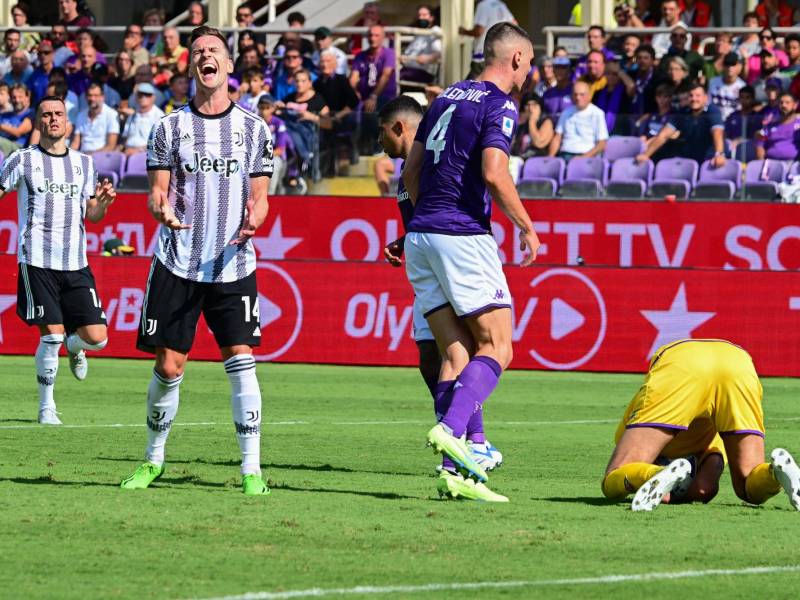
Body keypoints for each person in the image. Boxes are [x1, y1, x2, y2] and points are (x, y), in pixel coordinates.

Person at [121, 26, 274, 496]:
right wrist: (160, 210)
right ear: (191, 68)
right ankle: (153, 460)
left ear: (229, 67)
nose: (206, 56)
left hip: (232, 264)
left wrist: (256, 220)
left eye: (215, 51)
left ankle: (251, 470)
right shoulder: (169, 128)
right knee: (169, 367)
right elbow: (157, 195)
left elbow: (262, 198)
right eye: (198, 52)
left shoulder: (254, 129)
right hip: (178, 263)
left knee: (242, 360)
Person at [402, 22, 540, 502]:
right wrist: (525, 225)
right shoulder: (501, 103)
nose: (529, 72)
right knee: (498, 347)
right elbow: (494, 173)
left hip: (420, 235)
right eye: (530, 62)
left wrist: (425, 220)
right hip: (461, 234)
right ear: (517, 59)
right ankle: (453, 432)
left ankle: (453, 473)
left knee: (457, 353)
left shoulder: (444, 98)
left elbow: (411, 170)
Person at [0, 95, 115, 425]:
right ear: (38, 123)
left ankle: (74, 345)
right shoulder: (22, 159)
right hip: (36, 260)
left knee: (99, 338)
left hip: (75, 263)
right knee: (49, 336)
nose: (53, 119)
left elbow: (91, 215)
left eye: (59, 114)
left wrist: (103, 204)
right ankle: (46, 407)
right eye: (46, 114)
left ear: (67, 123)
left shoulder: (84, 164)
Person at [602, 339, 800, 512]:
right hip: (736, 361)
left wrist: (664, 484)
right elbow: (704, 487)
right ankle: (775, 473)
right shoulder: (711, 445)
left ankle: (653, 475)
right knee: (748, 485)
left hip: (684, 363)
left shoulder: (707, 450)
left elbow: (703, 490)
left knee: (614, 475)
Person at [636, 82, 726, 168]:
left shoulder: (713, 112)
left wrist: (719, 154)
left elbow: (717, 133)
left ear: (705, 98)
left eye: (698, 96)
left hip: (709, 158)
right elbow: (664, 135)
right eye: (691, 95)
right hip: (688, 158)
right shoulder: (683, 112)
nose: (694, 99)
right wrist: (645, 155)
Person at [549, 80, 609, 161]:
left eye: (582, 94)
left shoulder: (597, 113)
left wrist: (584, 157)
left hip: (587, 157)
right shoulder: (566, 112)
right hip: (565, 155)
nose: (578, 97)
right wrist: (550, 158)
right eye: (575, 94)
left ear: (589, 96)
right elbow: (557, 138)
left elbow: (602, 144)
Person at [459, 0, 516, 77]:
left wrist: (464, 31)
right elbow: (514, 24)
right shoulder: (500, 4)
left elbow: (478, 31)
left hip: (483, 56)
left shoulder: (483, 5)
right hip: (499, 55)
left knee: (470, 86)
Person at [70, 82, 119, 154]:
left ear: (103, 97)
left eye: (96, 95)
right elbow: (76, 143)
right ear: (86, 97)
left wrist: (92, 155)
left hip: (102, 157)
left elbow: (111, 146)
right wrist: (68, 154)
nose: (92, 99)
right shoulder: (81, 115)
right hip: (82, 156)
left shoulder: (112, 115)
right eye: (90, 95)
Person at [636, 83, 679, 162]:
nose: (662, 100)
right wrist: (643, 138)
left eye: (665, 97)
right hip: (645, 148)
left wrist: (652, 140)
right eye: (659, 97)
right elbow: (644, 133)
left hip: (663, 151)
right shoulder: (651, 116)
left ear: (670, 98)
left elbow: (673, 135)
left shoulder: (674, 116)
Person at [399, 5, 442, 85]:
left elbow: (439, 53)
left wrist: (428, 58)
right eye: (419, 15)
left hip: (423, 73)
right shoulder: (419, 33)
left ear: (431, 18)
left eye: (424, 15)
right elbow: (408, 54)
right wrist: (403, 58)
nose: (421, 18)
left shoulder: (434, 31)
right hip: (408, 70)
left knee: (396, 76)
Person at [119, 83, 164, 155]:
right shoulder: (133, 115)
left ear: (153, 97)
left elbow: (159, 143)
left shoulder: (159, 116)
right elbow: (125, 138)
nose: (143, 97)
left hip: (147, 154)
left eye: (147, 95)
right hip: (128, 152)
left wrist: (138, 150)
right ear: (136, 97)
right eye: (140, 95)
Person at [592, 60, 635, 134]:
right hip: (599, 133)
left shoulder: (624, 92)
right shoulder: (597, 93)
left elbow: (631, 86)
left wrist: (619, 71)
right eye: (608, 73)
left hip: (619, 133)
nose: (611, 76)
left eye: (615, 74)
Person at [755, 91, 800, 161]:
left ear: (795, 105)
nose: (783, 105)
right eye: (781, 103)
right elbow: (760, 145)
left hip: (793, 165)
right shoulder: (770, 126)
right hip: (771, 164)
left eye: (787, 103)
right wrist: (762, 163)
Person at [257, 94, 288, 194]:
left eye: (267, 107)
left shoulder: (279, 123)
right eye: (261, 107)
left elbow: (280, 149)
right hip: (257, 157)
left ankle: (271, 196)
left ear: (273, 108)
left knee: (273, 162)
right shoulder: (254, 123)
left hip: (276, 158)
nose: (264, 111)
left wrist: (263, 157)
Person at [512, 93, 554, 157]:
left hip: (537, 161)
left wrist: (532, 121)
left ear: (540, 107)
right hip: (519, 159)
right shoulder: (522, 124)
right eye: (528, 105)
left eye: (534, 105)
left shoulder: (547, 122)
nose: (530, 109)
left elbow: (538, 143)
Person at [725, 85, 763, 154]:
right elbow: (726, 135)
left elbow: (756, 137)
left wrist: (740, 140)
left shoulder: (758, 118)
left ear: (753, 99)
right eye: (741, 97)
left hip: (750, 153)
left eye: (747, 97)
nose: (744, 100)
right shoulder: (733, 116)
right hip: (732, 152)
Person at [708, 53, 746, 121]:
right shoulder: (712, 82)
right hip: (714, 121)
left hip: (734, 122)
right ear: (723, 66)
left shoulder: (742, 86)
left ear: (739, 66)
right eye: (727, 64)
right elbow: (707, 105)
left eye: (733, 64)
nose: (730, 68)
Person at [0, 83, 32, 155]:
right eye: (14, 97)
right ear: (10, 99)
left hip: (17, 149)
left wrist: (1, 126)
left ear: (27, 97)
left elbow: (18, 132)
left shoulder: (30, 114)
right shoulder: (5, 115)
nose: (17, 100)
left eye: (20, 97)